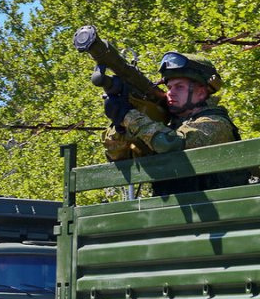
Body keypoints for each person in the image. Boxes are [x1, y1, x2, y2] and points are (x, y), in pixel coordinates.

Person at [102, 52, 249, 195]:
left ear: (202, 91)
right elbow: (119, 157)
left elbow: (169, 144)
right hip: (170, 215)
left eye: (179, 87)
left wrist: (130, 116)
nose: (170, 93)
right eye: (169, 87)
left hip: (222, 213)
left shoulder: (215, 123)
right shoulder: (166, 127)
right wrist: (120, 123)